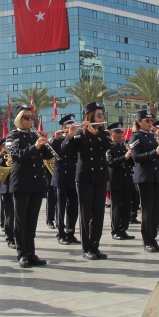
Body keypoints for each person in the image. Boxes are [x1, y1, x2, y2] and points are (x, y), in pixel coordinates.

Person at [62, 102, 111, 260]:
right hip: (84, 179)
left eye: (102, 115)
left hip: (100, 178)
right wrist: (70, 134)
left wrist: (95, 133)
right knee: (85, 213)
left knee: (98, 214)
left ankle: (95, 246)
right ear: (90, 116)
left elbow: (107, 146)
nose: (102, 117)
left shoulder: (103, 134)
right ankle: (87, 248)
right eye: (99, 115)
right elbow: (65, 150)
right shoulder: (79, 134)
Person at [6, 105, 52, 267]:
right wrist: (36, 146)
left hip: (36, 184)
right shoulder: (12, 136)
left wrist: (45, 143)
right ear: (19, 118)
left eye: (31, 118)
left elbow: (47, 156)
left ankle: (31, 253)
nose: (30, 120)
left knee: (31, 221)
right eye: (26, 117)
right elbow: (17, 155)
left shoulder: (34, 136)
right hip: (22, 184)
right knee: (20, 221)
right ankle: (22, 254)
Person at [129, 109, 159, 253]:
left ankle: (153, 239)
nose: (150, 123)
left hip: (157, 177)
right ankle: (147, 241)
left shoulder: (152, 137)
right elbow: (136, 157)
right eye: (147, 121)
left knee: (156, 210)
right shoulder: (136, 137)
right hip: (145, 177)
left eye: (151, 121)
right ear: (139, 122)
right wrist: (155, 152)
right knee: (147, 210)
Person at [50, 114, 80, 245]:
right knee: (60, 207)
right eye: (69, 126)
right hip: (61, 177)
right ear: (63, 127)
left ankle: (70, 233)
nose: (72, 128)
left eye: (73, 125)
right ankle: (60, 234)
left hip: (74, 177)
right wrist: (67, 136)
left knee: (73, 207)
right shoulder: (57, 140)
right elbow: (57, 151)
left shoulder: (77, 139)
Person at [106, 122, 135, 240]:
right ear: (111, 134)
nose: (120, 135)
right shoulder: (108, 146)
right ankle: (116, 230)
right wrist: (125, 157)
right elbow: (111, 162)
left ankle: (123, 229)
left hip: (126, 180)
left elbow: (132, 164)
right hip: (115, 182)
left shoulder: (124, 146)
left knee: (126, 207)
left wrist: (132, 156)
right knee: (116, 207)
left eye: (121, 132)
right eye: (117, 132)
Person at [0, 139, 15, 248]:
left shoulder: (16, 154)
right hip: (6, 188)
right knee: (9, 214)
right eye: (8, 145)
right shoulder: (2, 156)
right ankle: (10, 238)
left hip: (17, 187)